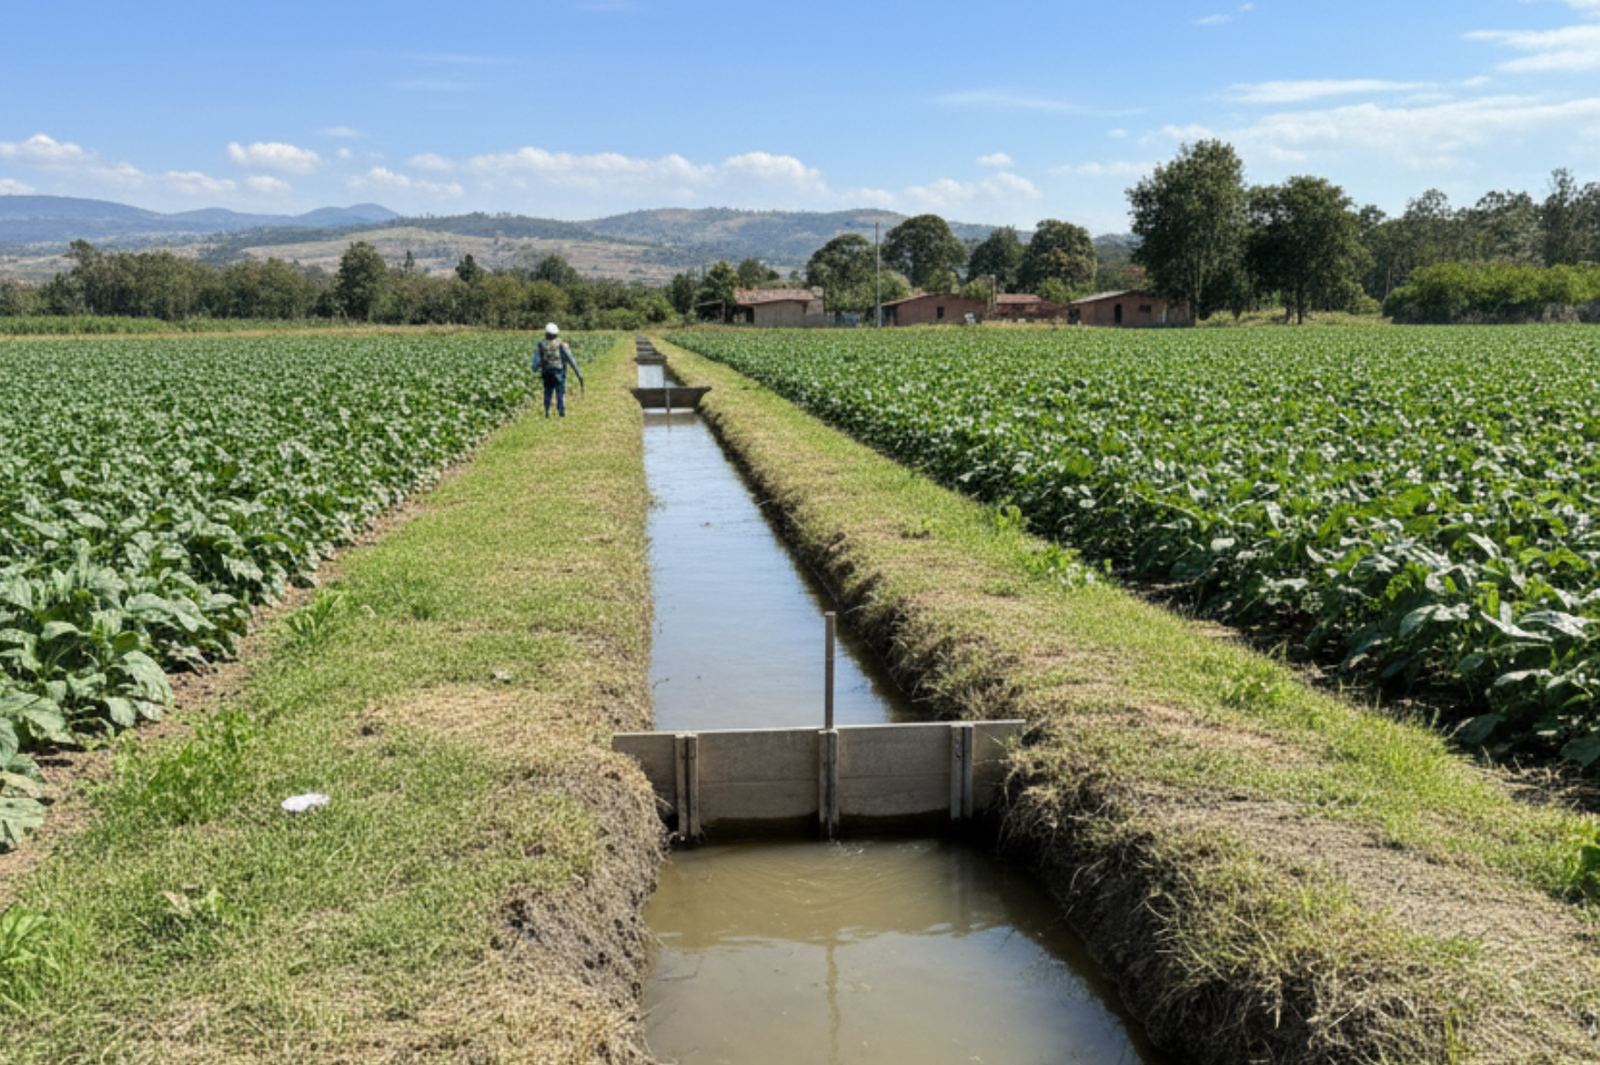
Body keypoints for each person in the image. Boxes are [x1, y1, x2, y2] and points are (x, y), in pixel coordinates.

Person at [534, 323, 584, 418]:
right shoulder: (562, 344)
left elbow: (536, 361)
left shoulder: (541, 344)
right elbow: (571, 359)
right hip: (559, 372)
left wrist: (535, 368)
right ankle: (561, 412)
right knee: (560, 392)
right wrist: (579, 374)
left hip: (547, 373)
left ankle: (547, 411)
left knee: (547, 392)